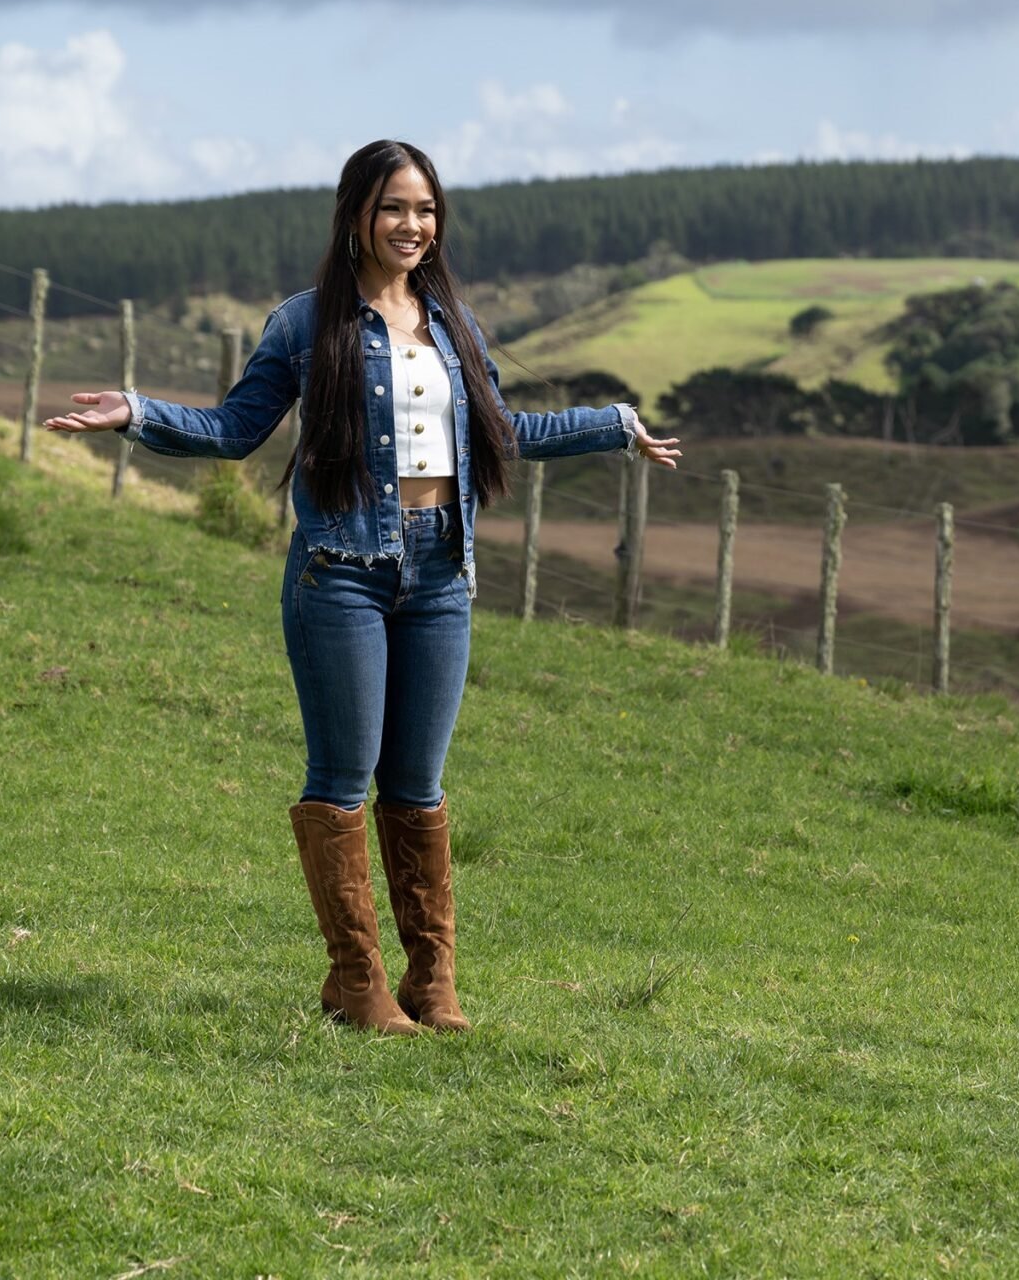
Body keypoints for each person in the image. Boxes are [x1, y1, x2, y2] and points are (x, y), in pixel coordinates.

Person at [45, 141, 682, 1034]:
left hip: (440, 577)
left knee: (417, 784)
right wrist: (139, 412)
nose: (412, 226)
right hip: (339, 572)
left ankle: (432, 982)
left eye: (425, 210)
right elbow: (235, 430)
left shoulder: (455, 326)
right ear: (356, 216)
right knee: (344, 779)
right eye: (393, 209)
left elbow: (505, 429)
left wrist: (612, 425)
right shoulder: (307, 323)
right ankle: (357, 981)